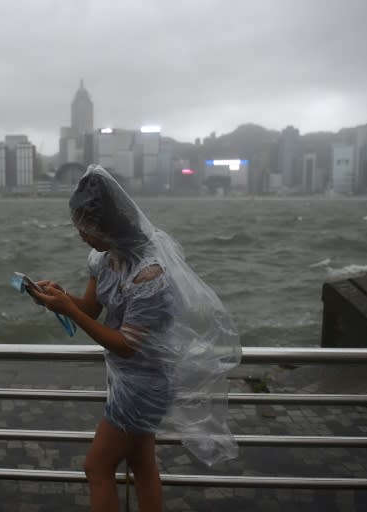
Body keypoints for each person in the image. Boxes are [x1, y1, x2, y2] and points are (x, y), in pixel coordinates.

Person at [29, 165, 241, 512]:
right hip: (127, 379)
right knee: (142, 464)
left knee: (96, 467)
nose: (82, 234)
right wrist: (59, 297)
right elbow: (91, 309)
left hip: (146, 384)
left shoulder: (149, 274)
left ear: (109, 224)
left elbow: (126, 345)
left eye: (87, 227)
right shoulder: (104, 257)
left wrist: (70, 310)